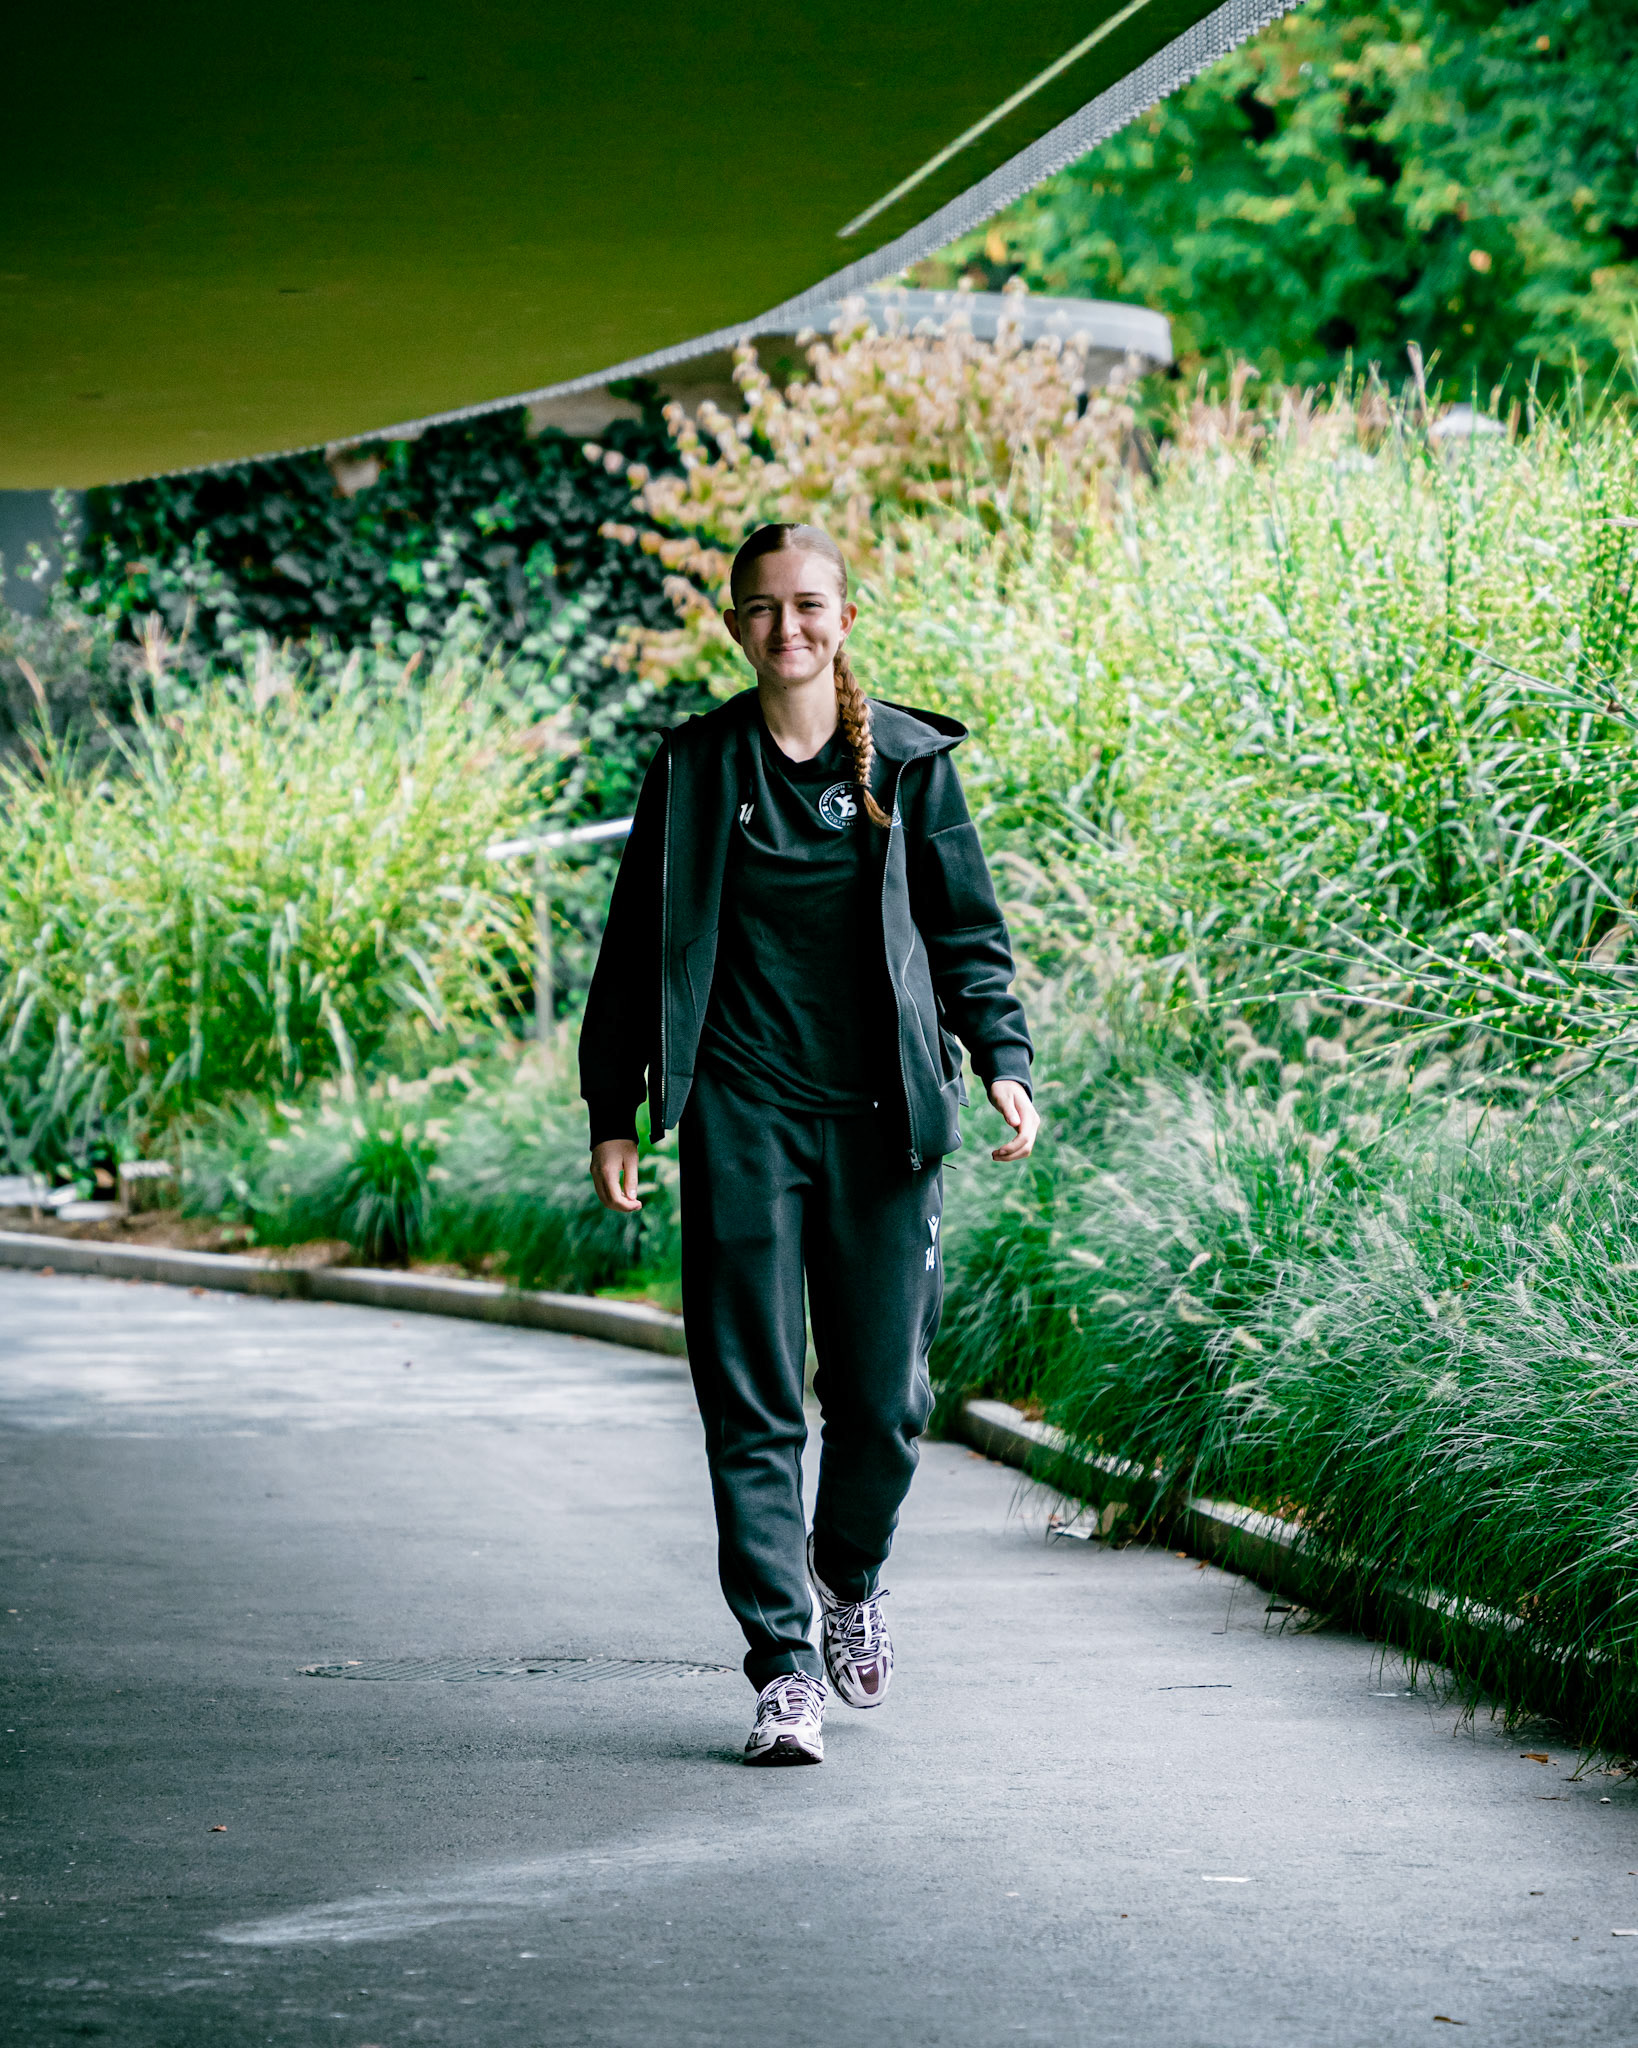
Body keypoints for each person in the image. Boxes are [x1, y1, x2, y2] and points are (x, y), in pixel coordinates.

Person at [580, 521, 1038, 1765]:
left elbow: (966, 929)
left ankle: (849, 1574)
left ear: (844, 616)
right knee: (752, 1397)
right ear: (736, 623)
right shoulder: (696, 766)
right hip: (744, 1114)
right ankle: (783, 1666)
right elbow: (636, 947)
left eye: (810, 603)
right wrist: (614, 1106)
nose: (788, 626)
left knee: (885, 1402)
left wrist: (1003, 1059)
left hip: (885, 1118)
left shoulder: (909, 761)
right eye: (764, 606)